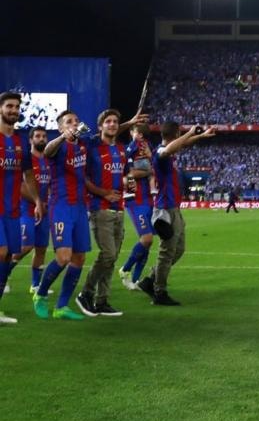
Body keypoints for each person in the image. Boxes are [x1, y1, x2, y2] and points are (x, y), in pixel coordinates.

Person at [75, 109, 144, 317]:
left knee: (112, 258)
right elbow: (84, 178)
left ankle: (102, 301)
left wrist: (130, 185)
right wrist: (103, 192)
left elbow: (127, 174)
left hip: (119, 209)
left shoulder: (122, 149)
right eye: (108, 121)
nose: (112, 124)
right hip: (100, 208)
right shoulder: (92, 146)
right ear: (100, 126)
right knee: (108, 254)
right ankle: (86, 293)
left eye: (115, 121)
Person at [137, 122, 215, 306]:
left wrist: (200, 136)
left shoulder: (169, 152)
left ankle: (150, 280)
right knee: (166, 252)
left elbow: (180, 145)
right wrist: (189, 133)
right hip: (165, 209)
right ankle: (159, 292)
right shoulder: (160, 152)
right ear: (177, 133)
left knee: (178, 250)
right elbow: (168, 149)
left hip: (174, 208)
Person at [32, 110, 100, 320]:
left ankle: (61, 307)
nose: (74, 124)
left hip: (80, 207)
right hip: (61, 206)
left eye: (76, 121)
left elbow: (107, 133)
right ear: (61, 127)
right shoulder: (57, 147)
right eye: (69, 122)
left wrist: (129, 124)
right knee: (63, 257)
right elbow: (47, 150)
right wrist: (63, 137)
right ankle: (40, 294)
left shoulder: (83, 144)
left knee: (79, 258)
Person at [0, 92, 43, 325]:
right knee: (2, 251)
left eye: (17, 107)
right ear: (0, 109)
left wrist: (37, 201)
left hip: (13, 211)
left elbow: (28, 175)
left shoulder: (19, 142)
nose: (14, 110)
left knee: (8, 257)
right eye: (9, 106)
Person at [4, 127, 50, 296]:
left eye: (44, 136)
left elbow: (49, 184)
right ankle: (4, 274)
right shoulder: (26, 159)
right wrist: (38, 202)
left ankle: (35, 285)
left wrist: (48, 201)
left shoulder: (48, 161)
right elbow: (21, 186)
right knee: (25, 246)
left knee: (41, 248)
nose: (41, 139)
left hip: (43, 212)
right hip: (25, 210)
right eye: (37, 136)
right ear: (30, 140)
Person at [118, 123, 155, 291]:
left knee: (147, 243)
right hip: (135, 200)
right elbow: (130, 174)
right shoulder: (129, 149)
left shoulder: (148, 148)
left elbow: (154, 168)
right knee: (147, 239)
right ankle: (125, 269)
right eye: (134, 131)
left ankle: (135, 279)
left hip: (148, 199)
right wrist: (148, 172)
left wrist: (150, 169)